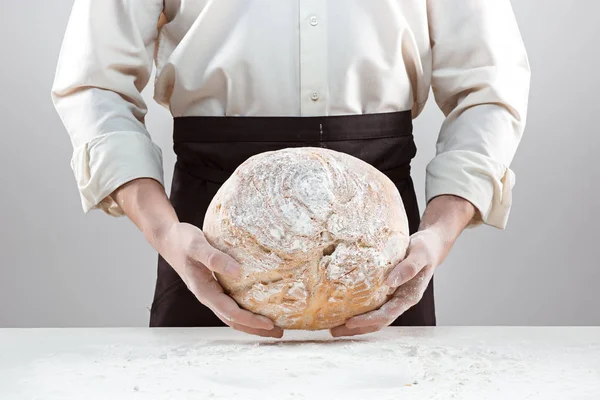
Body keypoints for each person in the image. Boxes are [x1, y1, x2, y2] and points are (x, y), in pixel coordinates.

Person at [51, 0, 530, 339]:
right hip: (209, 233)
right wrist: (164, 230)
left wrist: (439, 233)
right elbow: (96, 85)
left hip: (376, 237)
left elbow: (489, 88)